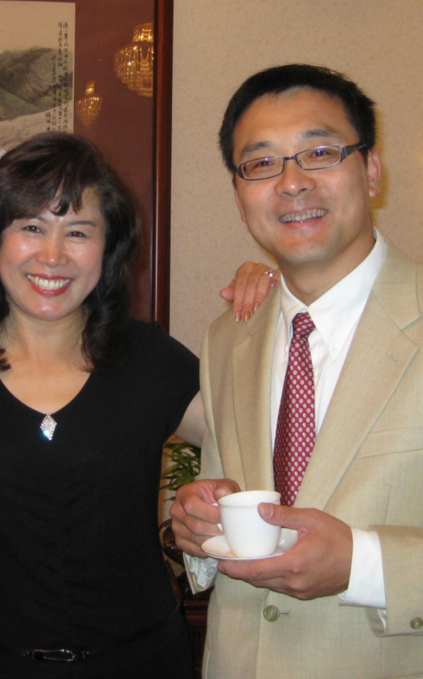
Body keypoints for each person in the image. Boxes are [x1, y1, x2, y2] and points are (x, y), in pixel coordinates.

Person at [0, 132, 277, 679]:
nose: (52, 256)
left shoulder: (148, 358)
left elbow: (264, 435)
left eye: (78, 231)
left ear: (108, 247)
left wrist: (280, 301)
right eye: (30, 227)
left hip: (143, 663)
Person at [171, 63, 423, 678]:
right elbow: (229, 502)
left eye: (319, 152)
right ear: (239, 195)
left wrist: (363, 563)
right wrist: (200, 527)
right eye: (261, 163)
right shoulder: (228, 337)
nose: (291, 182)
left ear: (371, 170)